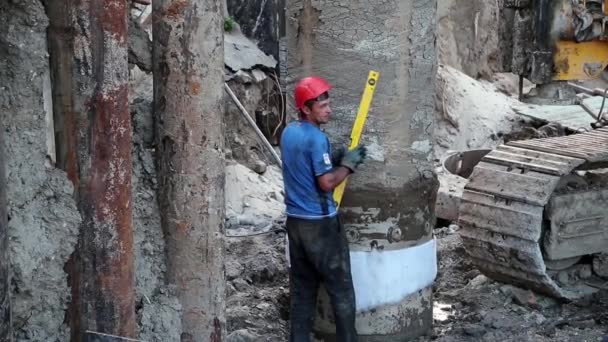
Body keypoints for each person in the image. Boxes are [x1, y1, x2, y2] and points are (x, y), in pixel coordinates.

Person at [280, 76, 367, 342]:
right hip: (320, 226)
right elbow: (326, 182)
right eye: (323, 106)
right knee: (341, 290)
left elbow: (306, 165)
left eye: (329, 104)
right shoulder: (317, 139)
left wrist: (335, 159)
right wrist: (349, 165)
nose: (329, 110)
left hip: (294, 224)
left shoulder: (288, 132)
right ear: (306, 109)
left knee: (303, 291)